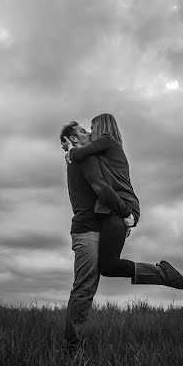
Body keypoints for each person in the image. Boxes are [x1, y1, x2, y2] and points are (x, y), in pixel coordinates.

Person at [62, 113, 183, 290]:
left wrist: (70, 150)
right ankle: (162, 273)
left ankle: (162, 273)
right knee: (107, 266)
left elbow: (81, 157)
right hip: (117, 208)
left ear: (102, 126)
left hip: (123, 206)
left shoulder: (107, 140)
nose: (90, 132)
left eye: (92, 127)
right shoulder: (102, 152)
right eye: (86, 130)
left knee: (108, 265)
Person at [59, 121, 135, 349]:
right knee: (84, 287)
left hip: (91, 229)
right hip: (86, 231)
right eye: (83, 131)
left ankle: (73, 342)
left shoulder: (79, 157)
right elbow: (101, 188)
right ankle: (72, 347)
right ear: (73, 140)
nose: (89, 132)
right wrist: (125, 212)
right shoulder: (83, 158)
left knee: (88, 287)